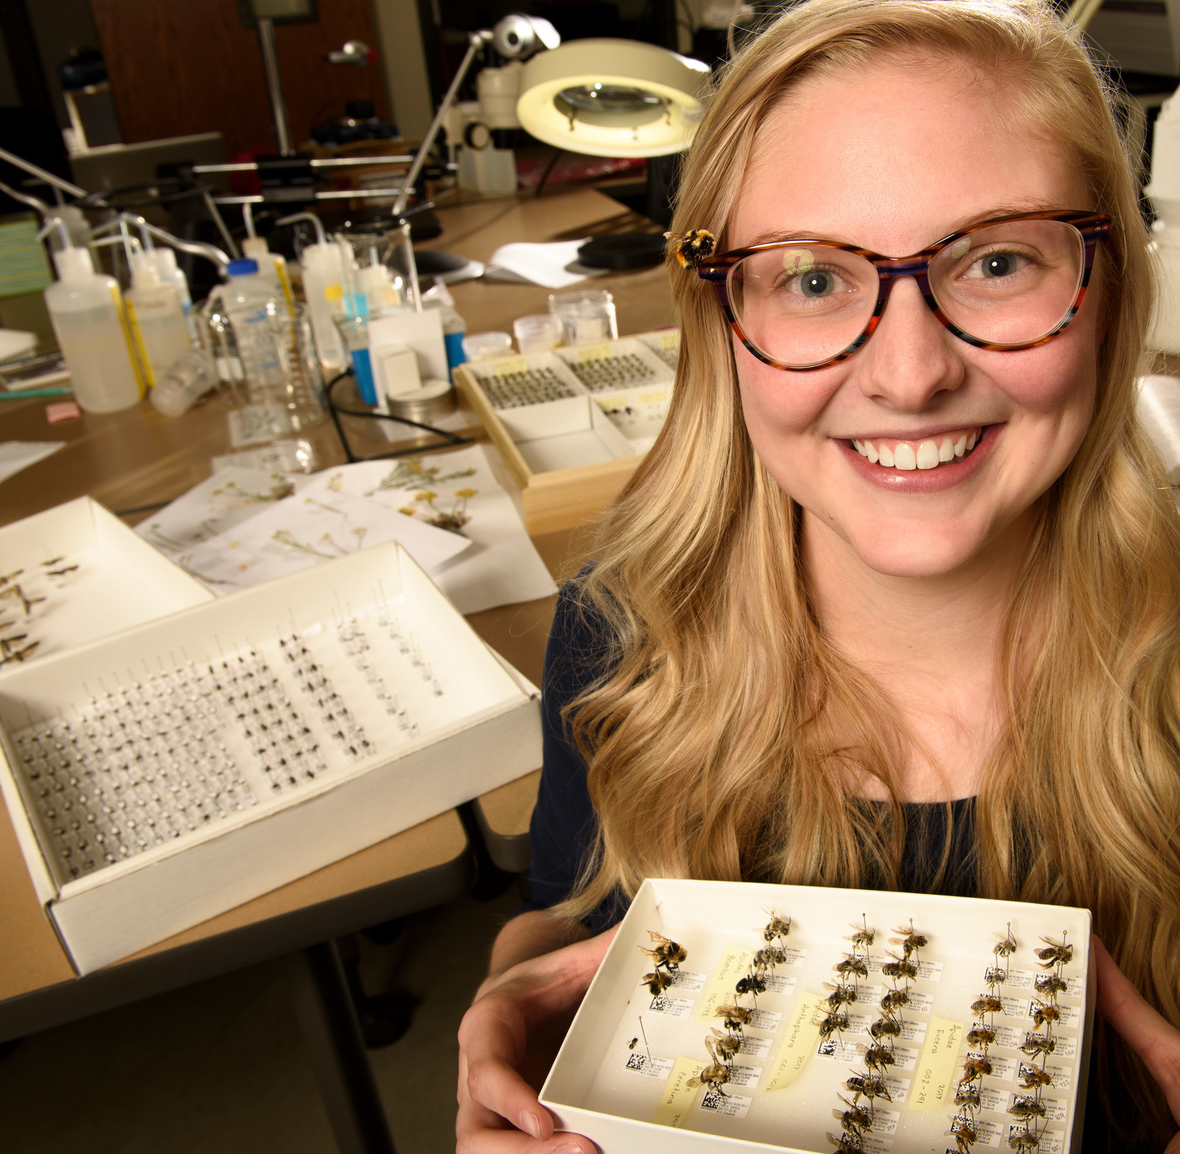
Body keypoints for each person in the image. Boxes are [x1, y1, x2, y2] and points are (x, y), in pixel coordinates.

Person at [456, 0, 1180, 1150]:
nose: (907, 374)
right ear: (718, 312)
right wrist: (512, 999)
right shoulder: (630, 625)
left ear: (1110, 287)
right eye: (810, 280)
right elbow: (569, 923)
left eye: (995, 261)